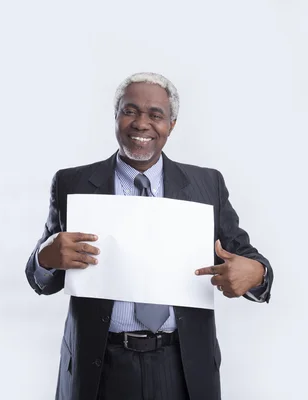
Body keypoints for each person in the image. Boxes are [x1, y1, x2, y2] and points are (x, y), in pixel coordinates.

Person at [25, 72, 274, 400]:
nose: (142, 123)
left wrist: (255, 273)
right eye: (130, 111)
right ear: (115, 117)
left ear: (171, 125)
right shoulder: (73, 183)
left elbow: (247, 257)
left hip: (181, 367)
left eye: (155, 115)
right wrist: (46, 258)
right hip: (99, 367)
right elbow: (41, 278)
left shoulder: (206, 185)